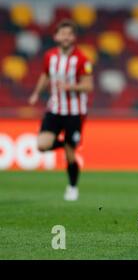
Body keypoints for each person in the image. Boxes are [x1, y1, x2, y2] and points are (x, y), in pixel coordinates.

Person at [28, 19, 94, 201]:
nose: (65, 37)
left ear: (73, 37)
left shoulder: (82, 59)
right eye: (62, 33)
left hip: (75, 112)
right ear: (56, 36)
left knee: (70, 155)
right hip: (55, 109)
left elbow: (88, 86)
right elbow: (45, 75)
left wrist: (70, 87)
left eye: (69, 34)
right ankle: (67, 144)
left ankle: (72, 188)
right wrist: (36, 93)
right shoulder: (50, 56)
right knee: (42, 145)